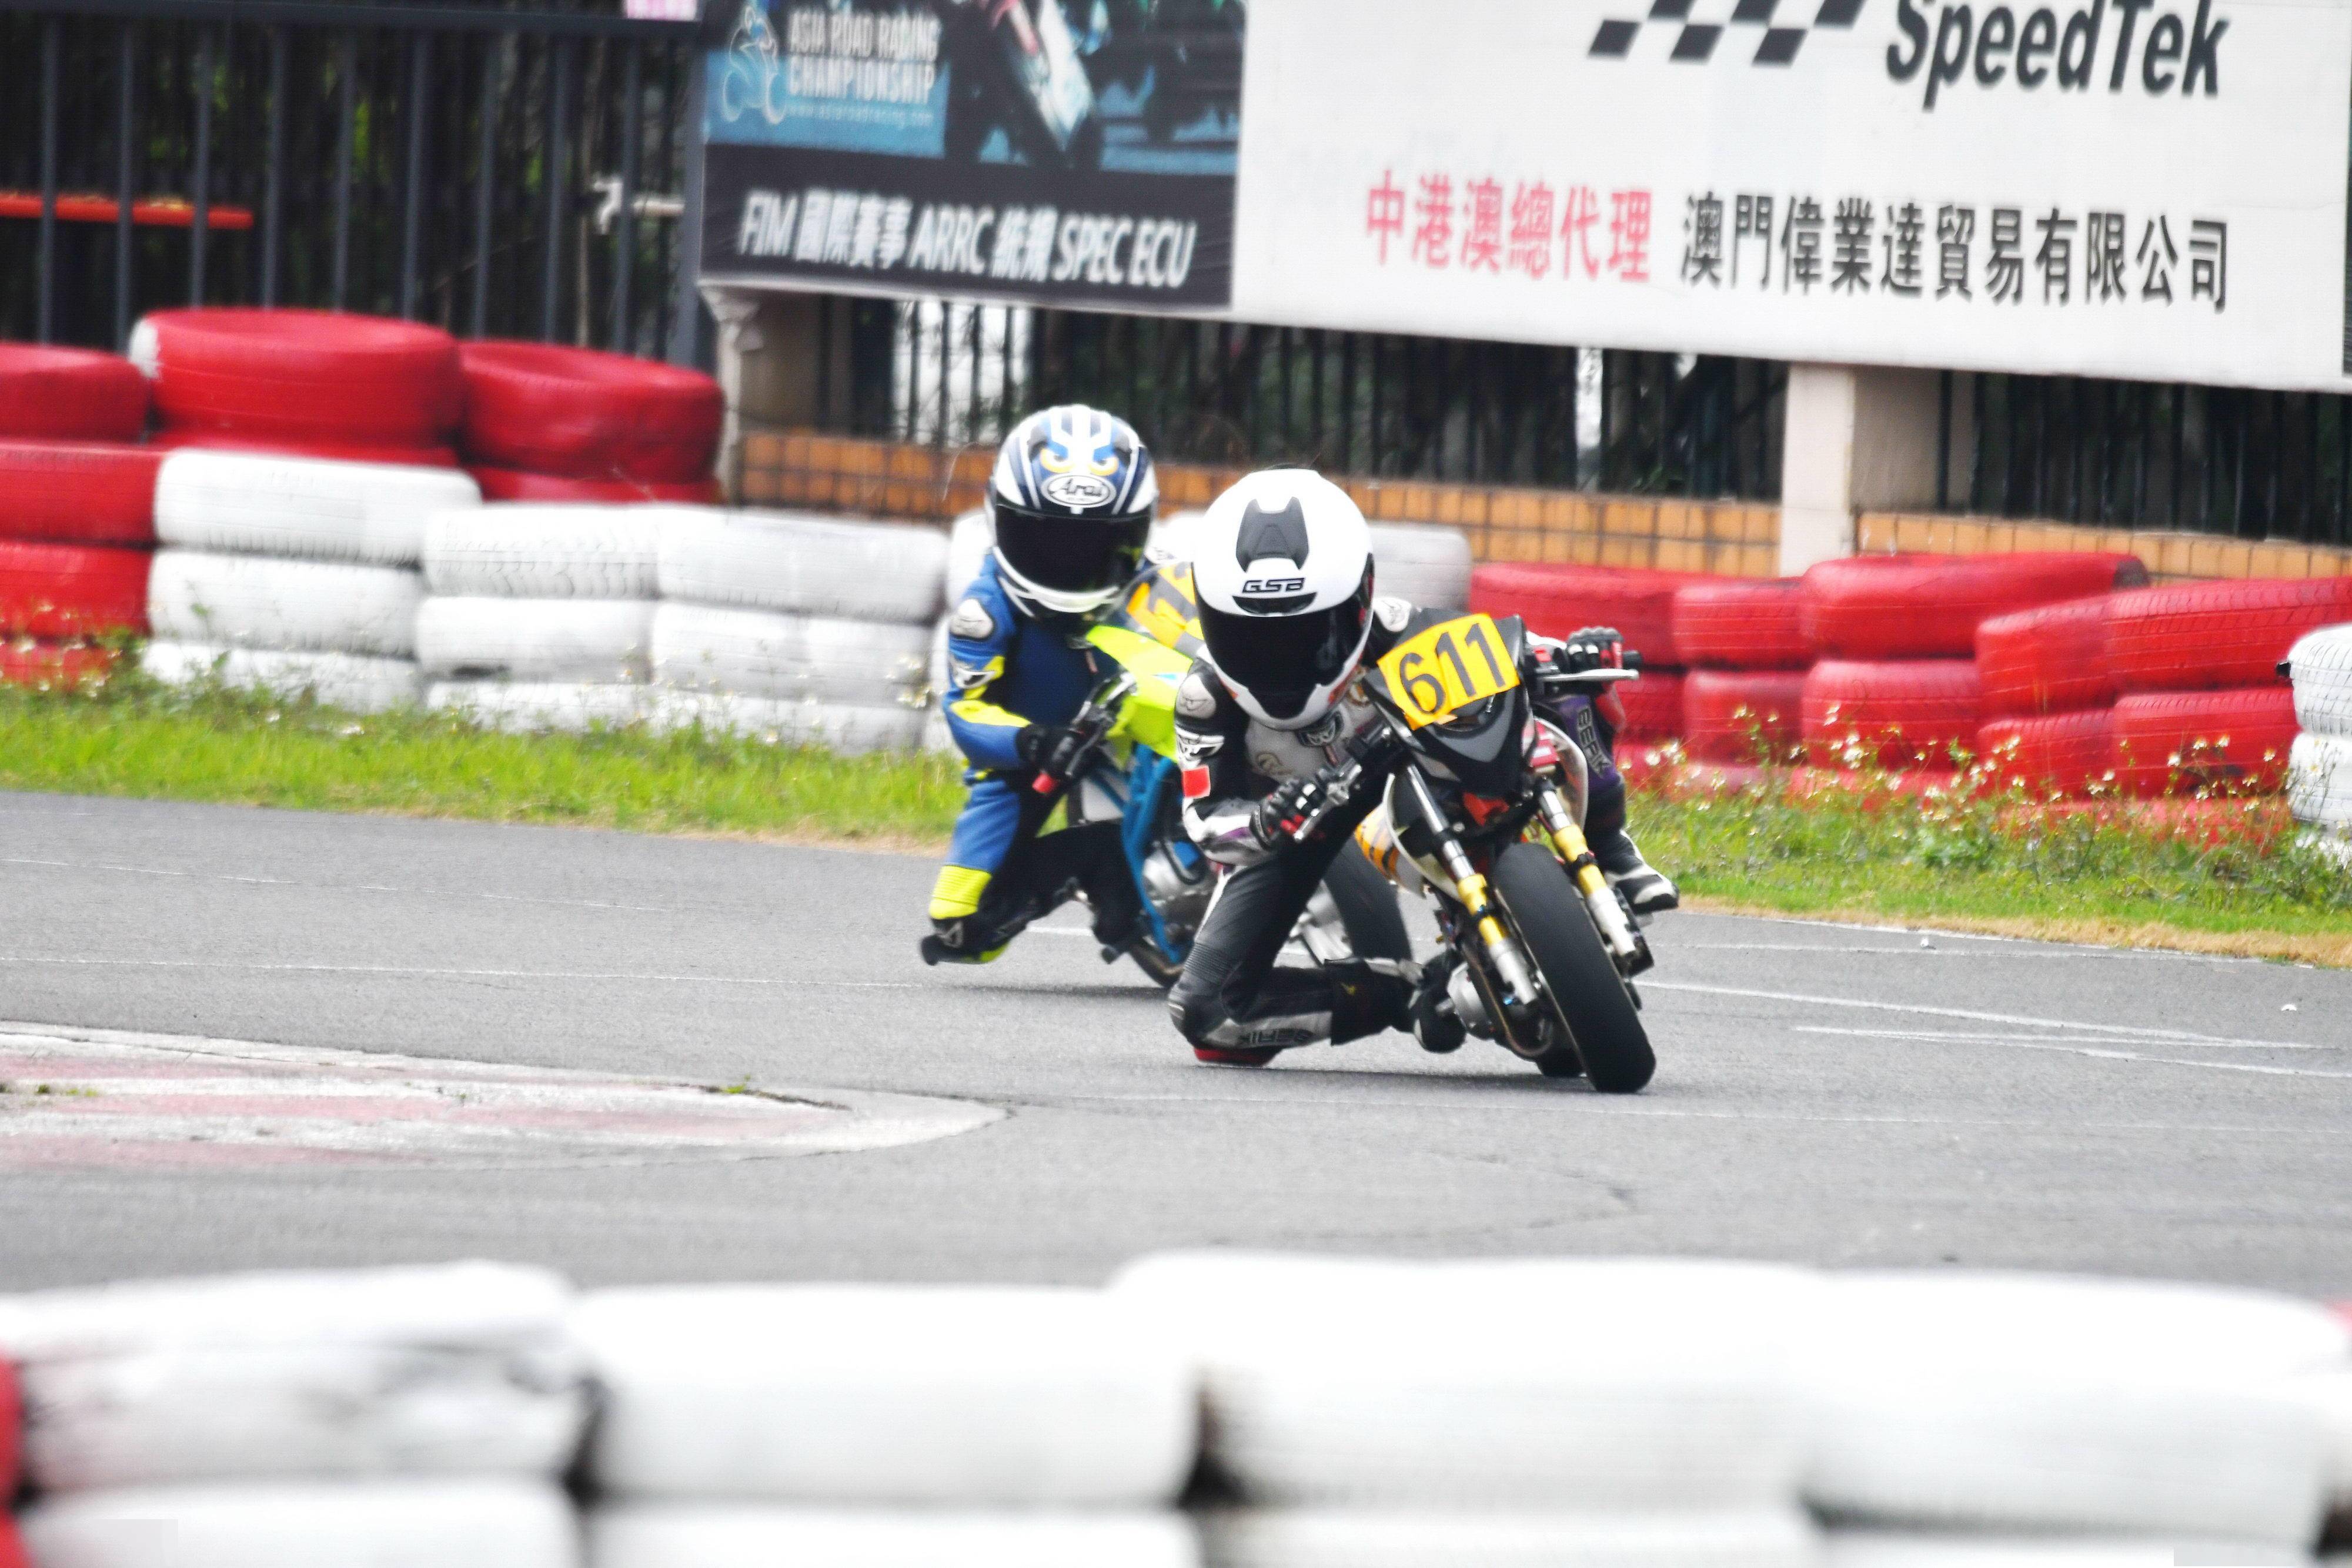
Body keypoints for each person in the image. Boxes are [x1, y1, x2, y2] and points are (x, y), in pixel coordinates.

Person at [1167, 467, 1677, 1065]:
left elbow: (1505, 647)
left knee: (1565, 690)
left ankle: (1610, 847)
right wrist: (1262, 822)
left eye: (1308, 633)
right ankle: (1405, 993)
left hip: (1405, 766)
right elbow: (1205, 817)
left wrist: (1573, 653)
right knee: (1207, 1014)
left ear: (1359, 599)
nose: (1278, 658)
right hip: (1295, 821)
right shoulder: (1205, 698)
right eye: (1249, 637)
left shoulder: (1397, 631)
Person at [921, 405, 1163, 968]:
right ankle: (1097, 861)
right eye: (1046, 537)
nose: (1068, 558)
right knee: (960, 924)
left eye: (1092, 542)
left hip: (1137, 732)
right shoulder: (984, 610)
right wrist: (1031, 741)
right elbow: (966, 712)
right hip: (1032, 757)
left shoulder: (1157, 585)